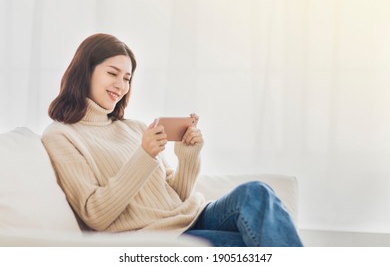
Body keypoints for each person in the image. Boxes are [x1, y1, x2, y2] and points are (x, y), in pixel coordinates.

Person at [42, 33, 303, 247]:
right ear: (85, 71)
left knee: (256, 192)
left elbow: (174, 198)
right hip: (158, 239)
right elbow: (95, 214)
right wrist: (143, 156)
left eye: (127, 78)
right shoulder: (62, 135)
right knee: (249, 245)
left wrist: (187, 158)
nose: (121, 86)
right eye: (113, 73)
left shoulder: (134, 128)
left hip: (192, 217)